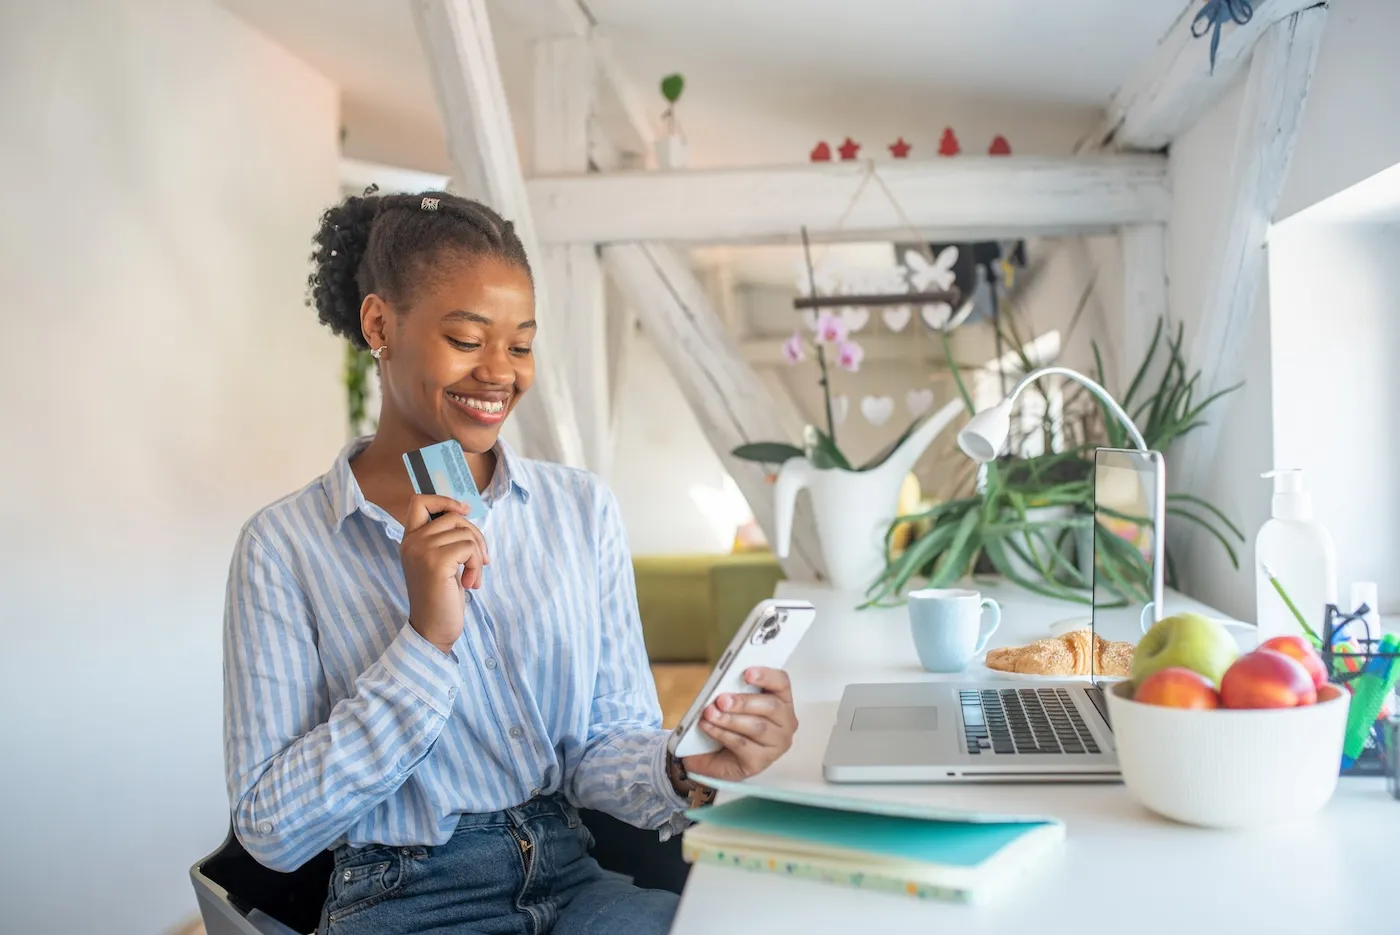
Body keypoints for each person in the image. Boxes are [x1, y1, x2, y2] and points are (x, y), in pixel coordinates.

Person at [222, 190, 799, 935]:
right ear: (379, 325)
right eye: (467, 338)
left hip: (572, 872)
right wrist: (425, 642)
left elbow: (603, 743)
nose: (500, 373)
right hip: (402, 899)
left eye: (520, 344)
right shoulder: (283, 546)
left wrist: (684, 765)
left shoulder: (580, 510)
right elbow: (270, 829)